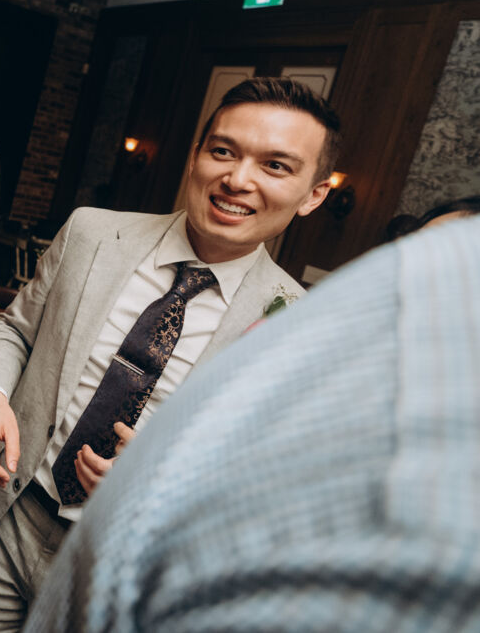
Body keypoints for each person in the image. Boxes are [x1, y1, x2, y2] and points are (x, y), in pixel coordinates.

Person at [0, 77, 339, 631]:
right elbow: (16, 331)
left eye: (275, 166)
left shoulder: (302, 325)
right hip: (4, 521)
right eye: (224, 151)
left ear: (314, 194)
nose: (238, 179)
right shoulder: (92, 233)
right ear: (195, 156)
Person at [24, 215, 480, 632]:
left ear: (315, 196)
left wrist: (148, 480)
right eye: (411, 259)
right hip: (22, 507)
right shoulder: (343, 352)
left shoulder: (295, 317)